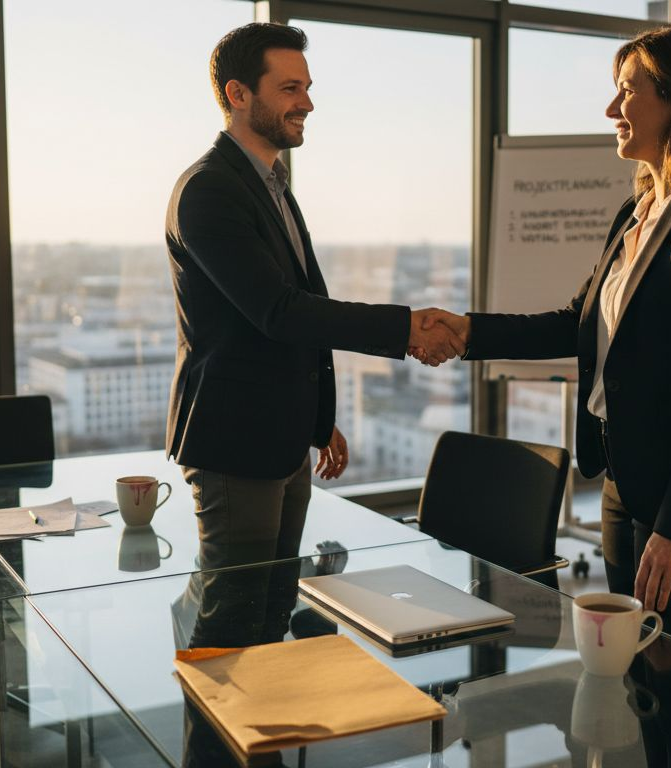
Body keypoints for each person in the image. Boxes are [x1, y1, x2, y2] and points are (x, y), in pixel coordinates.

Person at [422, 24, 671, 654]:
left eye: (627, 91)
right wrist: (468, 332)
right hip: (624, 477)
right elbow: (578, 323)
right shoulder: (638, 211)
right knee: (630, 667)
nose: (612, 109)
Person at [166, 23, 464, 577]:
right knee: (234, 616)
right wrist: (405, 328)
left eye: (306, 87)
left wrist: (318, 420)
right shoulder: (209, 190)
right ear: (238, 94)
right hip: (237, 443)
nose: (307, 103)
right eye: (290, 88)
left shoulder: (271, 185)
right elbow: (279, 312)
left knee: (278, 598)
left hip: (282, 437)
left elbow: (302, 305)